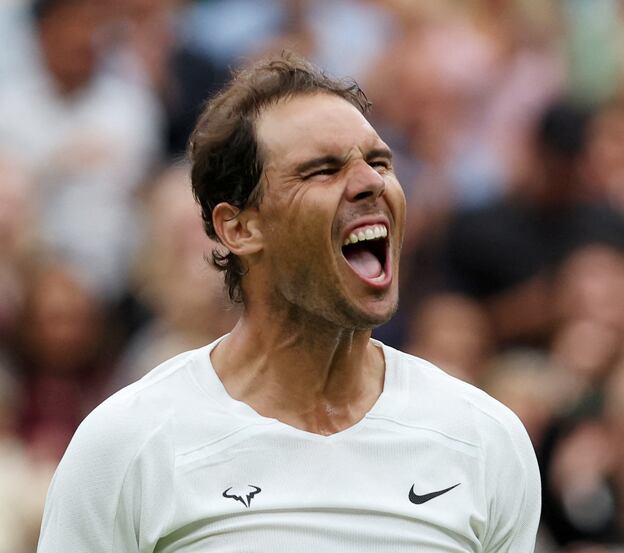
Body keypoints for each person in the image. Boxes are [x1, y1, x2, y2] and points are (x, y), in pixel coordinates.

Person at [37, 54, 541, 552]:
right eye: (323, 170)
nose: (370, 182)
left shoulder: (486, 440)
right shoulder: (126, 445)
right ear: (239, 227)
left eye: (380, 161)